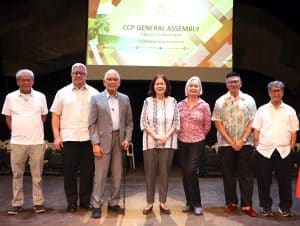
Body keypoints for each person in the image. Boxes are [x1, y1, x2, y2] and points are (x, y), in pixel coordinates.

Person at [50, 63, 99, 212]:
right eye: (75, 73)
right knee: (69, 173)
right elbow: (55, 115)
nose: (78, 75)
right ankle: (71, 202)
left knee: (87, 173)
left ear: (86, 75)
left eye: (81, 73)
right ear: (71, 75)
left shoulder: (94, 93)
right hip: (68, 139)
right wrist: (56, 137)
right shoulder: (62, 92)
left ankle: (85, 201)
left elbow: (98, 118)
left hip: (88, 139)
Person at [2, 69, 48, 214]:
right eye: (23, 80)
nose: (26, 82)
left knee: (37, 175)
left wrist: (33, 129)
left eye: (29, 80)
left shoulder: (41, 96)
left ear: (33, 81)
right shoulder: (10, 97)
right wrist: (16, 130)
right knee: (17, 175)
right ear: (17, 82)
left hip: (37, 142)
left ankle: (38, 203)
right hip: (17, 143)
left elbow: (43, 116)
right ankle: (17, 203)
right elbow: (8, 117)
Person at [89, 69, 133, 218]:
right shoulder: (96, 98)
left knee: (117, 174)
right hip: (102, 141)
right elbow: (92, 123)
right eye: (110, 79)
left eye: (115, 79)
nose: (112, 81)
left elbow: (129, 123)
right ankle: (96, 204)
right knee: (100, 176)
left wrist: (127, 138)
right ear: (104, 82)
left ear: (119, 82)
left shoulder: (125, 99)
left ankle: (114, 202)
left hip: (119, 141)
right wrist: (95, 144)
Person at [212, 71, 257, 217]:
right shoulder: (220, 101)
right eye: (230, 82)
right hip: (226, 145)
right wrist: (231, 141)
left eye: (236, 81)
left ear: (241, 83)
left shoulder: (249, 100)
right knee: (228, 175)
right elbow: (217, 123)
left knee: (246, 175)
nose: (233, 84)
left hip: (246, 143)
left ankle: (247, 205)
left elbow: (253, 121)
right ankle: (231, 202)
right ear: (226, 84)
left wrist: (242, 140)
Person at [252, 80, 299, 217]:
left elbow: (294, 131)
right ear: (269, 92)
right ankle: (266, 207)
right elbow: (256, 129)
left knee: (285, 182)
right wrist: (256, 144)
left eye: (279, 90)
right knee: (264, 182)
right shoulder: (262, 110)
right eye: (273, 90)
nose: (276, 93)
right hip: (264, 151)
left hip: (284, 151)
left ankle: (285, 207)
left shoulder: (290, 110)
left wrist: (291, 146)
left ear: (283, 92)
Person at [140, 74, 180, 215]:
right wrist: (157, 136)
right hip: (150, 142)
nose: (160, 86)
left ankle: (162, 202)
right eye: (157, 84)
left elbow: (176, 122)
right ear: (153, 86)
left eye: (162, 83)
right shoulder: (147, 101)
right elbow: (144, 122)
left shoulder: (173, 101)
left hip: (168, 142)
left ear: (166, 86)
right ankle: (149, 203)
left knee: (164, 174)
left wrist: (165, 137)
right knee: (150, 174)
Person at [177, 76, 211, 215]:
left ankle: (197, 203)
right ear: (187, 88)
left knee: (191, 170)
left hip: (197, 142)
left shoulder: (204, 105)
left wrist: (199, 135)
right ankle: (189, 202)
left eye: (196, 86)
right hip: (181, 141)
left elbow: (207, 125)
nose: (193, 88)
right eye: (190, 85)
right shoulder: (179, 105)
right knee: (185, 173)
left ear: (199, 89)